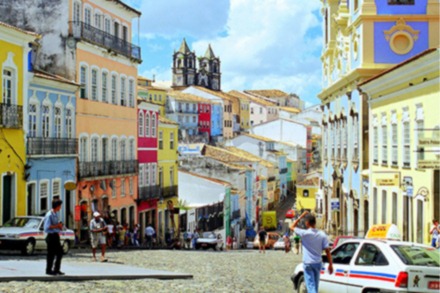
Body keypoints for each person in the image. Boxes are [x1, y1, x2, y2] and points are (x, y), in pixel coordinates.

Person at [290, 211, 333, 293]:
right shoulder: (322, 235)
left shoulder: (304, 233)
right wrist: (330, 264)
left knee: (311, 287)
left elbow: (292, 226)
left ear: (307, 223)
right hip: (318, 263)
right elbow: (327, 251)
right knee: (315, 286)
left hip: (308, 263)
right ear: (315, 223)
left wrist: (301, 216)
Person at [44, 199, 64, 276]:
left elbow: (56, 225)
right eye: (60, 206)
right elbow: (47, 227)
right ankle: (49, 270)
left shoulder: (55, 214)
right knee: (51, 254)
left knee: (59, 253)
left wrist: (59, 226)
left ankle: (56, 269)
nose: (60, 208)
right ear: (57, 206)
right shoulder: (49, 214)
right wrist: (57, 226)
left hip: (56, 235)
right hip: (51, 236)